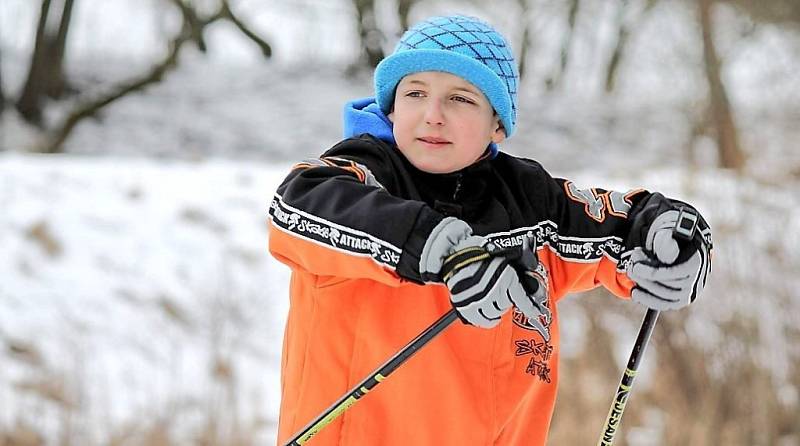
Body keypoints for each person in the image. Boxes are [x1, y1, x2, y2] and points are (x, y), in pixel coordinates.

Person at [267, 14, 712, 446]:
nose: (433, 115)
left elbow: (627, 224)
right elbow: (294, 207)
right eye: (415, 93)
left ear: (497, 122)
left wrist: (675, 238)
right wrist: (442, 250)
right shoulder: (360, 176)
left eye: (460, 98)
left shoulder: (531, 202)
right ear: (392, 106)